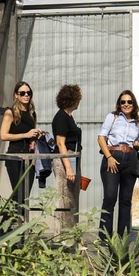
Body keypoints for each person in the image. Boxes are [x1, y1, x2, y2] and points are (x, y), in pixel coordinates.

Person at [97, 88, 139, 237]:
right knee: (110, 198)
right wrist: (109, 157)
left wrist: (138, 144)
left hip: (130, 159)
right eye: (123, 102)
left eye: (129, 102)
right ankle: (105, 238)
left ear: (134, 104)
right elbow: (101, 138)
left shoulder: (138, 123)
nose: (126, 104)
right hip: (113, 156)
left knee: (125, 200)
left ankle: (123, 237)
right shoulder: (113, 117)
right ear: (119, 104)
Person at [0, 80, 40, 208]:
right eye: (22, 93)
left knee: (25, 196)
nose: (26, 95)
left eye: (29, 93)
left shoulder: (32, 114)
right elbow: (3, 135)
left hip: (29, 158)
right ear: (16, 95)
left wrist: (35, 137)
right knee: (18, 195)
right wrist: (26, 134)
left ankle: (21, 225)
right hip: (14, 157)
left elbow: (30, 136)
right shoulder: (10, 112)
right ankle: (2, 226)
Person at [52, 84, 83, 229]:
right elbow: (60, 143)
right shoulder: (61, 117)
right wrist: (69, 168)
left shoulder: (69, 117)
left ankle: (72, 233)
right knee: (64, 198)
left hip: (73, 158)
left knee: (72, 199)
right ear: (72, 99)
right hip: (65, 159)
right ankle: (62, 237)